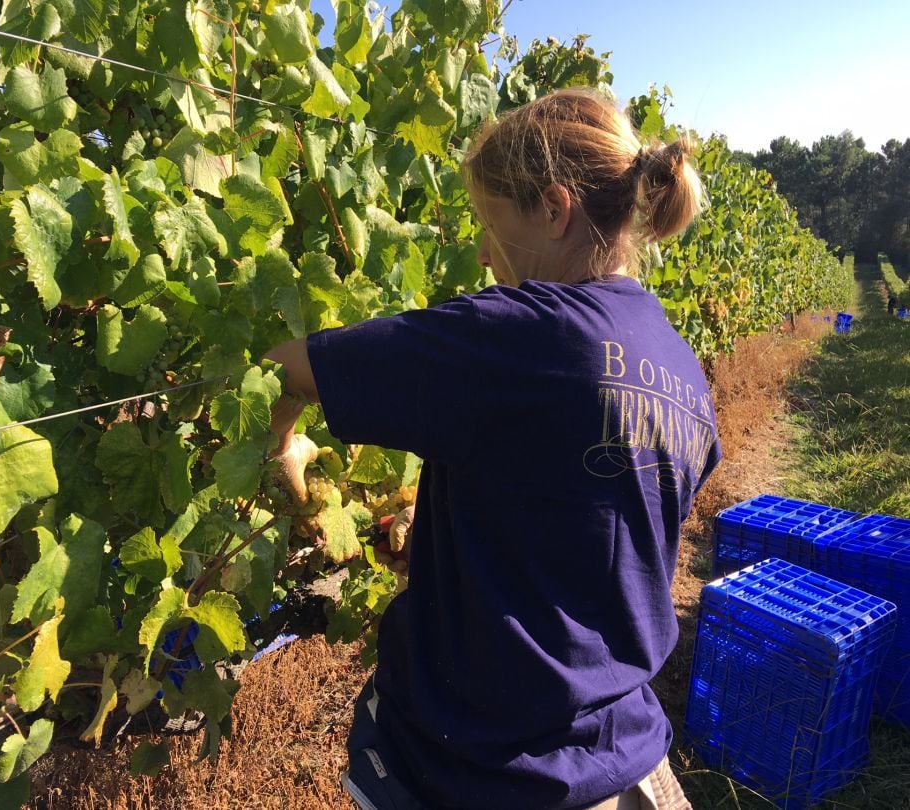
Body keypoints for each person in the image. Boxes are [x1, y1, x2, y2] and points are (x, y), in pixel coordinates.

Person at [264, 87, 721, 810]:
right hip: (621, 763)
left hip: (489, 772)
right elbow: (596, 543)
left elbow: (293, 364)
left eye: (490, 221)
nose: (480, 250)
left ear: (553, 208)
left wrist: (283, 444)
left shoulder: (522, 330)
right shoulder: (681, 370)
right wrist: (444, 549)